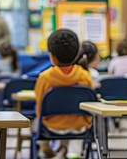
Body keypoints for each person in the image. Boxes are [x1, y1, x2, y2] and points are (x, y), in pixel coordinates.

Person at [34, 29, 93, 158]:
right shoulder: (85, 75)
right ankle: (64, 149)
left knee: (36, 121)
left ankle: (45, 146)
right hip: (81, 126)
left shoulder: (44, 77)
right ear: (77, 54)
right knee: (70, 118)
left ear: (51, 56)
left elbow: (39, 109)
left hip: (51, 127)